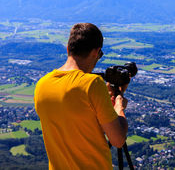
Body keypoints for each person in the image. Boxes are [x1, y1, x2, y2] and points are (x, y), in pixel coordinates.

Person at [34, 23, 128, 170]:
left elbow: (80, 127)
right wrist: (119, 107)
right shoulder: (92, 84)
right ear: (96, 52)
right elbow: (118, 140)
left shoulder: (42, 85)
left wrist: (103, 103)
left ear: (68, 49)